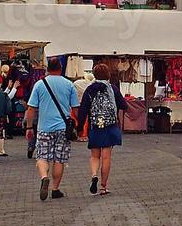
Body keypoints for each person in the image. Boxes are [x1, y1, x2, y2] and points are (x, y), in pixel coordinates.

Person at [26, 57, 78, 201]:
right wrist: (78, 124)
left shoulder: (39, 84)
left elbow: (31, 108)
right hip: (63, 127)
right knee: (59, 159)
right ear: (61, 68)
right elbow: (75, 108)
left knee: (42, 157)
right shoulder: (69, 85)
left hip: (44, 128)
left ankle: (44, 177)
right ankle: (55, 189)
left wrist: (29, 127)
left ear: (47, 68)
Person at [79, 63, 130, 196]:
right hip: (110, 126)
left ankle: (94, 175)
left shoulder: (89, 90)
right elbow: (124, 105)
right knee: (106, 157)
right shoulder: (113, 89)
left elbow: (83, 110)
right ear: (108, 75)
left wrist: (79, 128)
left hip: (95, 126)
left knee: (95, 156)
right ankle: (103, 187)